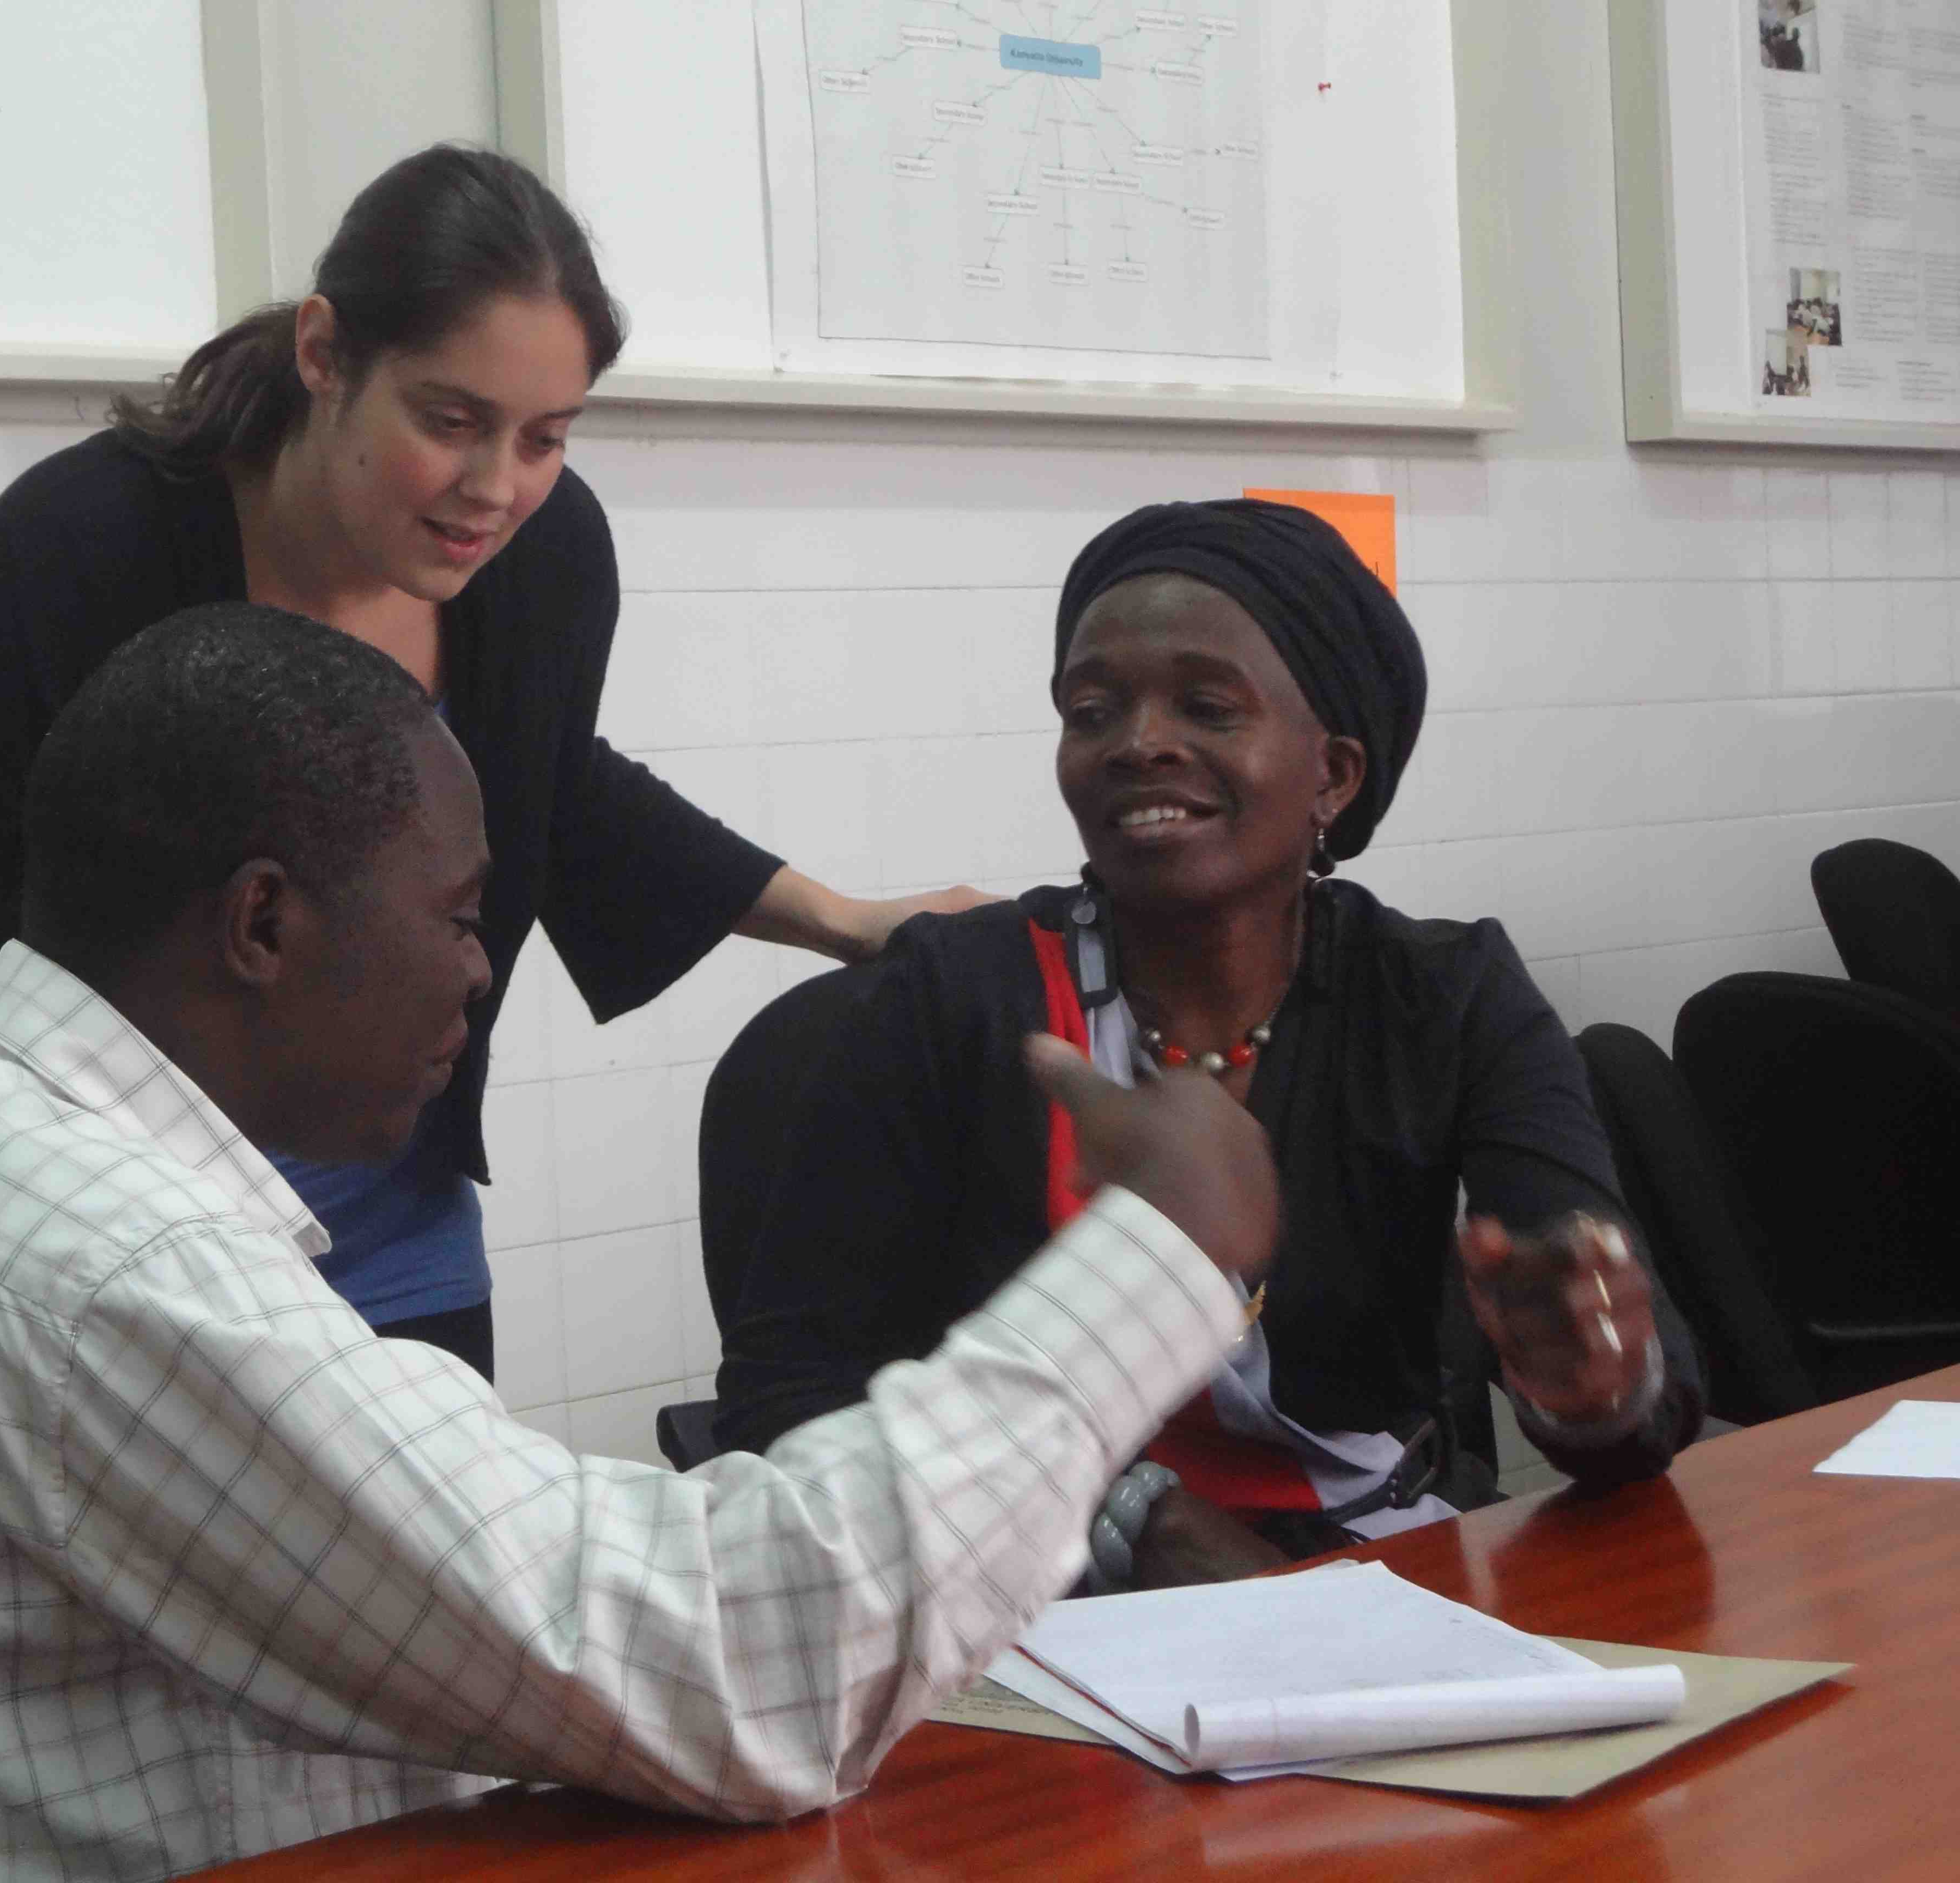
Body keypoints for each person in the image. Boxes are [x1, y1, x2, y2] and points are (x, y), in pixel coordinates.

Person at [0, 606, 1277, 1877]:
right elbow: (746, 1671)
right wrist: (1155, 1257)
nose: (478, 974)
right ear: (262, 923)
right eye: (456, 915)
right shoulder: (110, 1276)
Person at [0, 144, 979, 1388]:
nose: (497, 487)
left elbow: (550, 782)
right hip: (81, 1245)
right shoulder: (83, 548)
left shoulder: (543, 561)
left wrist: (842, 920)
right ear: (325, 353)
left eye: (546, 437)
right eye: (451, 421)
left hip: (388, 1230)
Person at [713, 499, 1704, 1584]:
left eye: (1207, 707)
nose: (1139, 743)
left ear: (1334, 775)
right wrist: (1136, 1521)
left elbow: (1632, 1390)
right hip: (1019, 1597)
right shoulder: (948, 996)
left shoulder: (1447, 997)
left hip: (1375, 1576)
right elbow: (784, 1405)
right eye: (1092, 711)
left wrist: (1594, 1391)